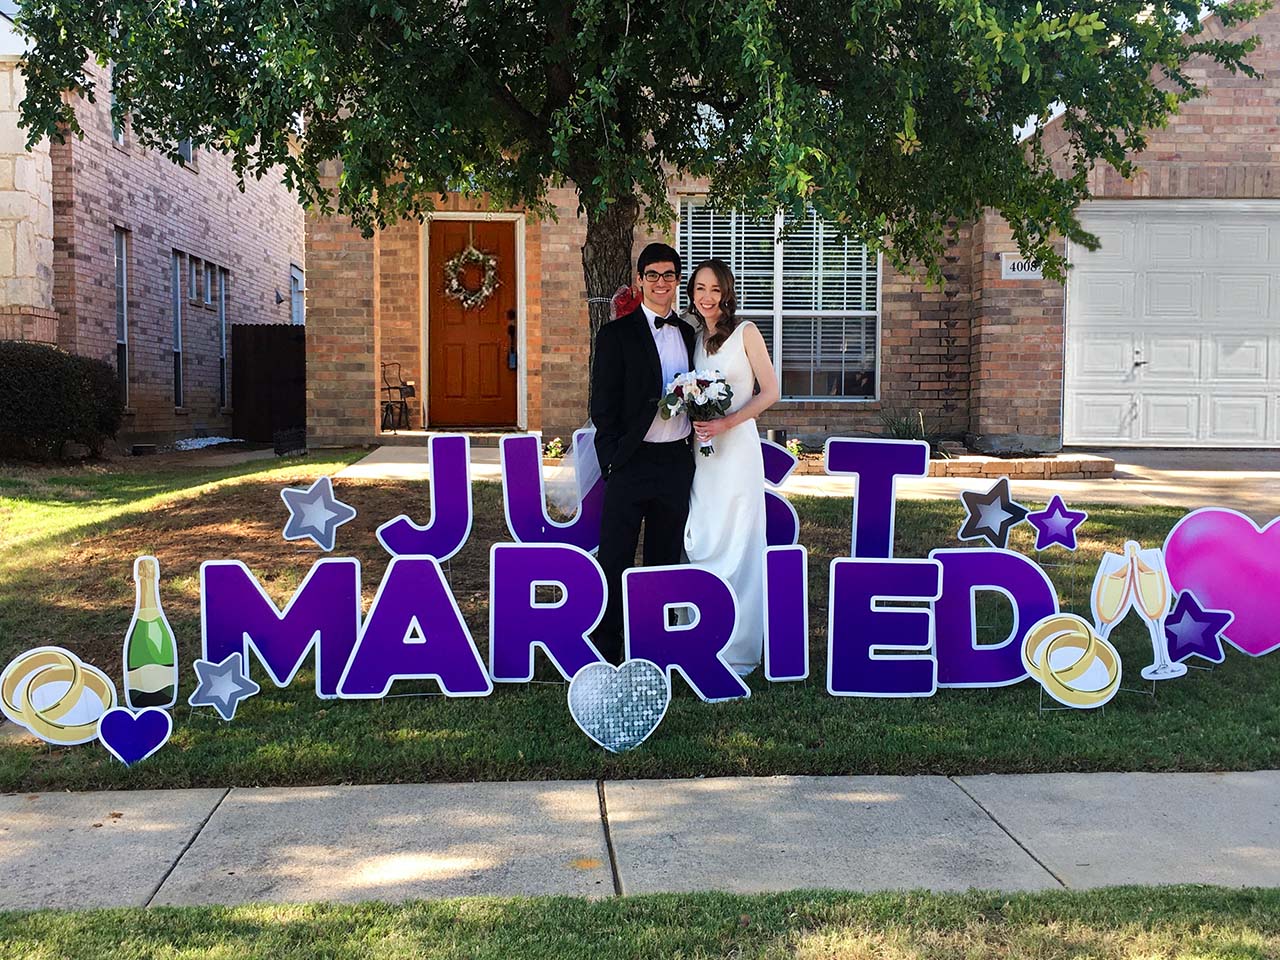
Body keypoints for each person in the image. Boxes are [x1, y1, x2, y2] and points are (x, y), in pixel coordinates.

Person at [589, 242, 696, 664]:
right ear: (639, 280)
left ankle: (653, 644)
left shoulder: (688, 333)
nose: (660, 283)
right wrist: (612, 462)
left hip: (674, 462)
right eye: (652, 275)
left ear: (677, 282)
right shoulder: (616, 334)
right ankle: (609, 646)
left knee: (663, 558)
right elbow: (603, 407)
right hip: (630, 462)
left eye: (669, 275)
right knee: (615, 555)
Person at [682, 258, 780, 675]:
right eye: (699, 289)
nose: (707, 297)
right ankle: (700, 634)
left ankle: (738, 647)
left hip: (737, 449)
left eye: (715, 290)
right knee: (701, 533)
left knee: (739, 539)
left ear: (727, 293)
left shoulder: (746, 333)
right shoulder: (693, 338)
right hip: (703, 455)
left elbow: (771, 392)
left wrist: (726, 421)